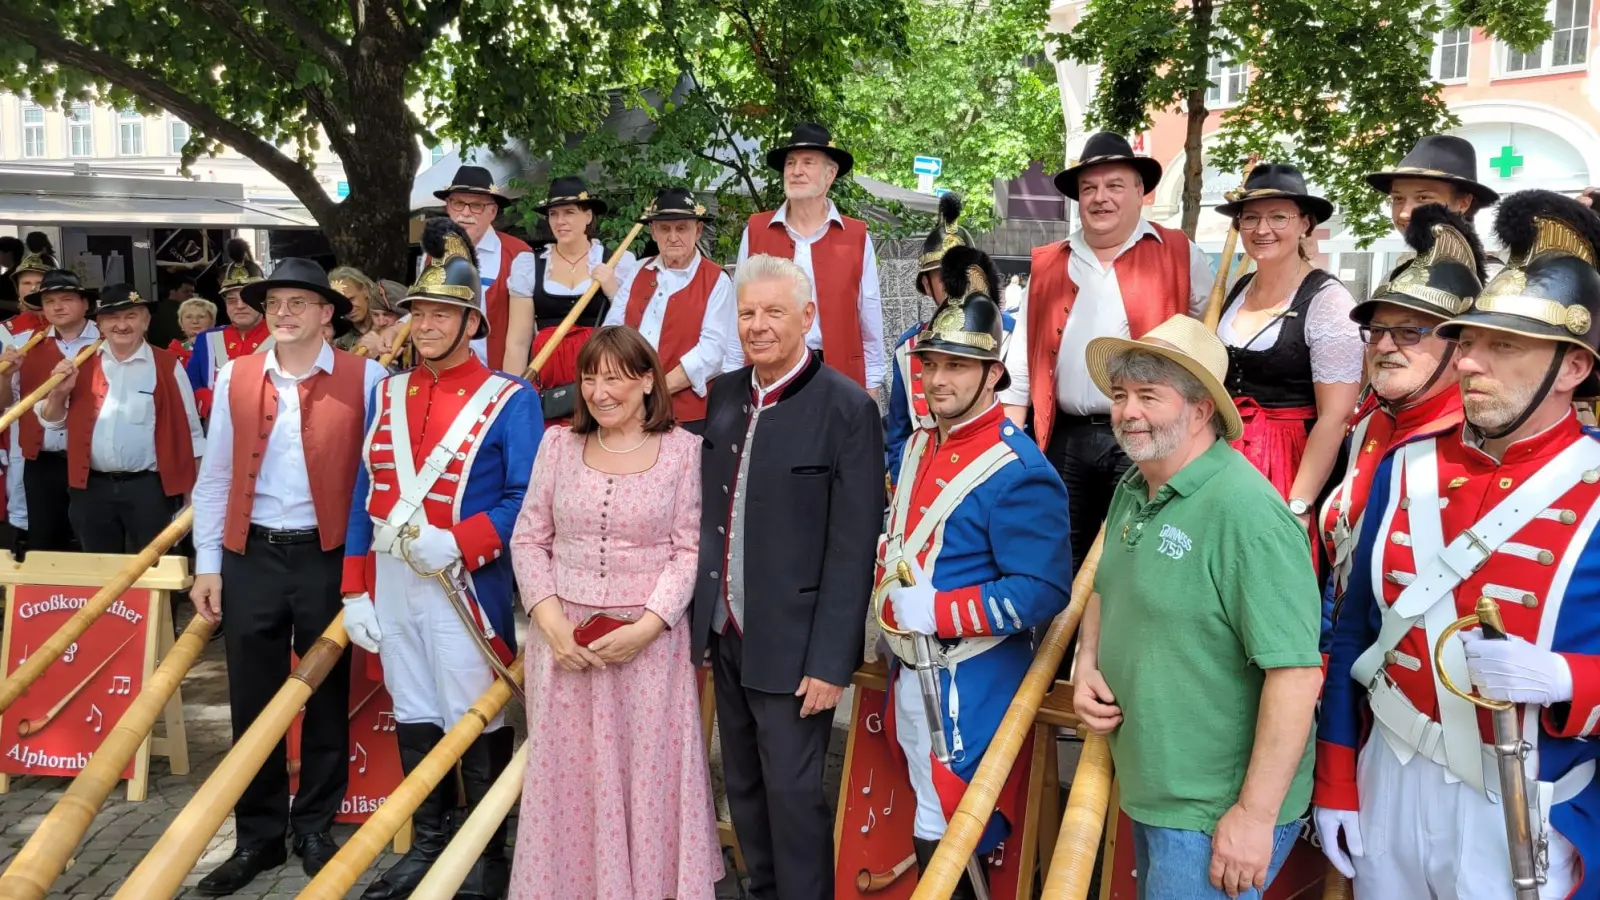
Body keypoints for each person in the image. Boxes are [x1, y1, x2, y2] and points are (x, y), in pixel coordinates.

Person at [1316, 190, 1600, 899]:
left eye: (1504, 345)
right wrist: (1337, 777)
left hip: (1527, 796)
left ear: (1572, 367)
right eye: (1469, 340)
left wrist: (1570, 680)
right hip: (1392, 770)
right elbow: (1356, 633)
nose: (1471, 363)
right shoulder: (1407, 463)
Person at [1072, 314, 1323, 900]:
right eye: (1120, 395)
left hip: (1214, 811)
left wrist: (1255, 818)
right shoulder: (1134, 487)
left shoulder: (1246, 513)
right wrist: (1087, 662)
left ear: (1201, 410)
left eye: (1148, 397)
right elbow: (1106, 587)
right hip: (1156, 785)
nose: (1127, 411)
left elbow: (1295, 675)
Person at [339, 218, 539, 900]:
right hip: (393, 581)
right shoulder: (387, 391)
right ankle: (430, 841)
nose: (424, 325)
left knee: (473, 711)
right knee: (415, 705)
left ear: (471, 322)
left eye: (441, 313)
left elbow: (528, 499)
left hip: (464, 580)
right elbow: (365, 492)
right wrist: (355, 588)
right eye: (418, 313)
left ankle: (486, 854)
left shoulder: (512, 400)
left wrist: (464, 539)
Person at [188, 258, 385, 896]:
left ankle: (318, 826)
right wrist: (209, 564)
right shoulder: (235, 375)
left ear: (329, 313)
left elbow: (382, 476)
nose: (285, 312)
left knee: (326, 696)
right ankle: (258, 836)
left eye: (300, 302)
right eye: (276, 302)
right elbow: (214, 477)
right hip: (251, 555)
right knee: (252, 696)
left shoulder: (371, 376)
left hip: (327, 554)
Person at [879, 247, 1072, 896]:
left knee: (950, 831)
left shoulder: (1019, 470)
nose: (938, 379)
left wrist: (938, 611)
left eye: (957, 366)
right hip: (912, 669)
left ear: (993, 375)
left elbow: (1043, 590)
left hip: (967, 681)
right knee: (930, 821)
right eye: (931, 364)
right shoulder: (917, 442)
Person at [691, 254, 883, 900]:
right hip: (726, 629)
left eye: (774, 312)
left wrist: (832, 663)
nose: (758, 325)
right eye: (747, 313)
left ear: (807, 317)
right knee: (741, 784)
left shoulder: (848, 408)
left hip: (799, 646)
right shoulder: (722, 394)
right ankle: (762, 888)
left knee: (794, 797)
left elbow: (854, 548)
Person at [507, 326, 721, 900]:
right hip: (565, 647)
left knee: (645, 780)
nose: (601, 391)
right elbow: (529, 538)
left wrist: (648, 626)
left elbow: (688, 549)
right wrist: (549, 623)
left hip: (649, 650)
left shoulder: (683, 451)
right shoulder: (557, 446)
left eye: (617, 376)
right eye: (591, 377)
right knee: (570, 783)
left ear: (648, 380)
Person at [1000, 131, 1213, 573]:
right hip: (1064, 438)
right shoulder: (1049, 260)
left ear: (1140, 191)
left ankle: (1118, 645)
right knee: (1059, 558)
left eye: (1114, 185)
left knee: (1135, 558)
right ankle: (1059, 643)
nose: (1101, 198)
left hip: (1148, 434)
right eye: (1089, 189)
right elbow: (1023, 360)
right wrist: (1010, 445)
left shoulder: (1180, 253)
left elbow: (1208, 339)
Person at [1318, 205, 1481, 610]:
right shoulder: (1372, 423)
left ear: (1461, 346)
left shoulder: (1477, 440)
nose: (1385, 346)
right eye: (1377, 331)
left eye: (1409, 332)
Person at [1211, 163, 1363, 514]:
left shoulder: (1328, 301)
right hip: (1224, 451)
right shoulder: (1239, 287)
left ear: (1304, 223)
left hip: (1288, 459)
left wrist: (1299, 503)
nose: (1262, 229)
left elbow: (1335, 417)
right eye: (1250, 218)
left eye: (1279, 217)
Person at [33, 284, 202, 553]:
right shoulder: (80, 361)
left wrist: (193, 494)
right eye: (112, 317)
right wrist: (58, 394)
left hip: (149, 489)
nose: (121, 325)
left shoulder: (168, 365)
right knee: (98, 567)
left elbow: (192, 433)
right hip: (90, 487)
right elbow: (53, 421)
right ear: (100, 323)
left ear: (146, 321)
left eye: (131, 316)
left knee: (154, 568)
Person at [737, 123, 885, 394]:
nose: (796, 171)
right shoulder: (756, 231)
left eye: (808, 162)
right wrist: (734, 375)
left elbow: (869, 315)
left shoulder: (856, 236)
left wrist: (873, 384)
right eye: (790, 163)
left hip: (838, 376)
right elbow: (737, 313)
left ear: (830, 175)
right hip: (770, 375)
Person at [603, 186, 738, 434]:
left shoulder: (716, 279)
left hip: (686, 413)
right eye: (665, 228)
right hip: (628, 407)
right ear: (653, 232)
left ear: (697, 231)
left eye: (682, 228)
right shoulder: (638, 270)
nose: (673, 236)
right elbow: (612, 331)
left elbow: (712, 352)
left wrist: (655, 389)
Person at [510, 176, 637, 420]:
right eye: (553, 214)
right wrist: (515, 395)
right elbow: (517, 342)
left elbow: (634, 330)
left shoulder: (617, 262)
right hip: (550, 385)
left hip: (603, 382)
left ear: (588, 216)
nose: (560, 221)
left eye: (569, 212)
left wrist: (612, 289)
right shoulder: (529, 266)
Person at [0, 269, 103, 553]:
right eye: (49, 301)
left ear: (85, 303)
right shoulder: (24, 346)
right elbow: (3, 405)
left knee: (94, 544)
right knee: (44, 545)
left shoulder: (109, 342)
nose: (57, 307)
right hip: (42, 461)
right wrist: (6, 376)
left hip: (95, 463)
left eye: (66, 299)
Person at [886, 192, 978, 481]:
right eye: (942, 275)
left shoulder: (1011, 336)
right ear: (926, 284)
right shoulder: (909, 347)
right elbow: (899, 436)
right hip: (924, 482)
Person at [434, 165, 536, 370]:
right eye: (458, 203)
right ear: (448, 206)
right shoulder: (433, 252)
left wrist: (509, 390)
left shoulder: (517, 254)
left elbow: (519, 342)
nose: (465, 213)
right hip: (441, 375)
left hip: (492, 379)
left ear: (493, 211)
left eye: (476, 206)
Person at [0, 233, 60, 545]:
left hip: (69, 427)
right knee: (21, 496)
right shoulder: (4, 332)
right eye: (26, 283)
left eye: (41, 283)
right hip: (20, 426)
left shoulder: (74, 327)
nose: (33, 290)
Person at [1366, 134, 1500, 274]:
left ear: (1464, 202)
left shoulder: (1495, 284)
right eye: (1398, 199)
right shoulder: (1394, 278)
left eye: (1423, 197)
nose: (1404, 213)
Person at [187, 239, 271, 415]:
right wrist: (209, 403)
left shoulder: (281, 337)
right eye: (231, 300)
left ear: (262, 301)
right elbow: (190, 382)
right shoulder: (207, 338)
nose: (239, 306)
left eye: (246, 299)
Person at [149, 274, 198, 348]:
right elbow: (180, 343)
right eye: (186, 291)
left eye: (192, 292)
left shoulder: (163, 308)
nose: (191, 295)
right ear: (172, 291)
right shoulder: (171, 313)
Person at [169, 296, 219, 366]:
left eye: (201, 316)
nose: (195, 321)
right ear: (181, 324)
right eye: (189, 317)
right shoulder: (172, 352)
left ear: (212, 322)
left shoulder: (221, 348)